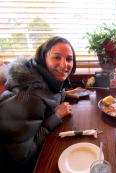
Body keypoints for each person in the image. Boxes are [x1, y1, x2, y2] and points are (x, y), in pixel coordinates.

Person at [0, 36, 85, 172]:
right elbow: (23, 155)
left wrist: (65, 93)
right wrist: (55, 117)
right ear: (42, 58)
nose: (64, 65)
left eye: (69, 59)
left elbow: (47, 94)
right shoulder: (28, 98)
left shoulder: (40, 76)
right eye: (57, 57)